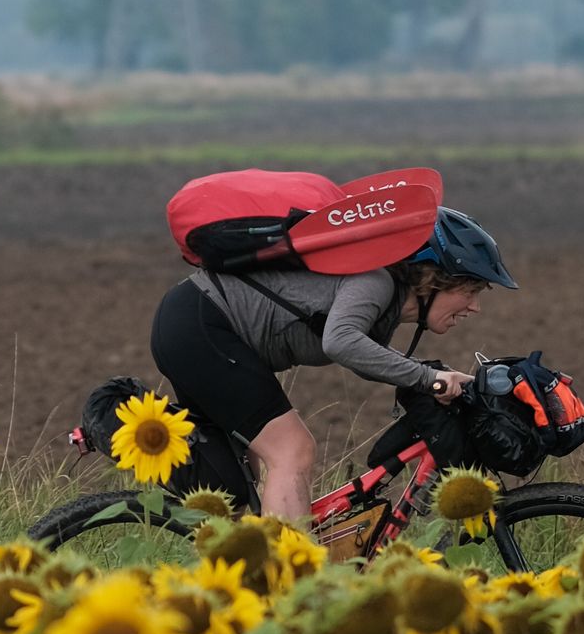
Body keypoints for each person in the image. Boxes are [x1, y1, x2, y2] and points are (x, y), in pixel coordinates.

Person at [149, 205, 517, 523]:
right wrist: (428, 377)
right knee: (292, 450)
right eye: (469, 292)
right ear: (433, 280)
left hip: (193, 323)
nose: (474, 307)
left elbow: (365, 355)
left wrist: (430, 378)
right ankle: (288, 580)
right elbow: (341, 342)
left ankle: (234, 577)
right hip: (202, 325)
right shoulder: (376, 282)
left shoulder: (384, 303)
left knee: (238, 483)